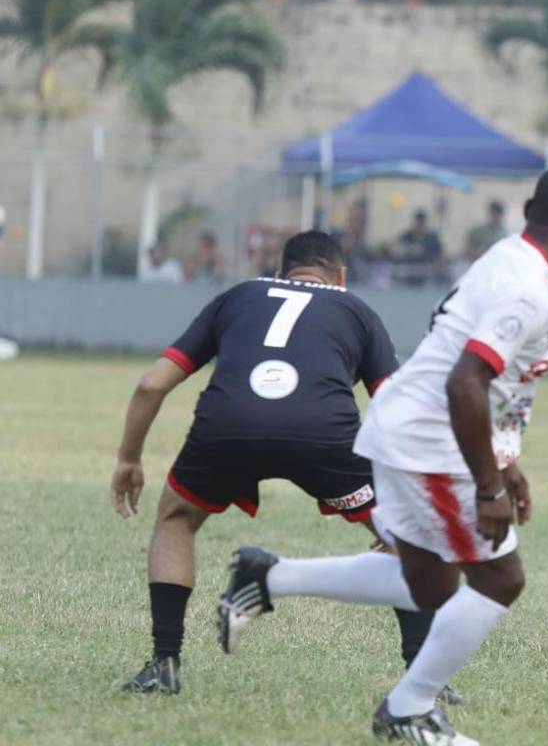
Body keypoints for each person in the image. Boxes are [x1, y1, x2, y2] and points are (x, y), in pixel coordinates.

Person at [215, 163, 548, 744]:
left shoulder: (509, 259)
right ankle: (408, 709)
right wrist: (490, 485)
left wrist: (506, 459)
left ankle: (269, 577)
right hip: (432, 440)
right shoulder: (527, 286)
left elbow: (471, 371)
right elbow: (465, 383)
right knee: (501, 579)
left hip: (408, 427)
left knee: (428, 582)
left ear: (527, 213)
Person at [111, 231, 436, 695]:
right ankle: (423, 681)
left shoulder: (239, 295)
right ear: (340, 277)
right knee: (410, 544)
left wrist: (129, 458)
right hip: (323, 431)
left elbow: (151, 385)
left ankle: (164, 666)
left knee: (176, 519)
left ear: (279, 273)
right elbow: (397, 406)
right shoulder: (357, 310)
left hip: (228, 424)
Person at [398, 210, 444, 286]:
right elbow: (400, 248)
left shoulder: (432, 237)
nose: (419, 224)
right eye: (418, 222)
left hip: (426, 273)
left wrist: (423, 250)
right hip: (409, 273)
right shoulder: (407, 236)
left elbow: (438, 252)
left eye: (421, 222)